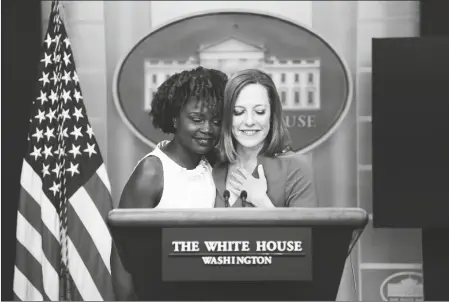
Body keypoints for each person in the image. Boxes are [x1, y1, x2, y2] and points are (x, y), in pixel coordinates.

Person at [111, 66, 228, 300]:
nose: (207, 129)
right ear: (175, 119)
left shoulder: (214, 165)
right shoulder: (152, 171)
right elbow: (122, 257)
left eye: (215, 121)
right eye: (196, 119)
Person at [213, 69, 318, 208]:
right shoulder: (211, 165)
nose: (249, 121)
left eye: (259, 111)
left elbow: (305, 230)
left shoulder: (296, 168)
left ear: (272, 114)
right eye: (238, 112)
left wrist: (261, 201)